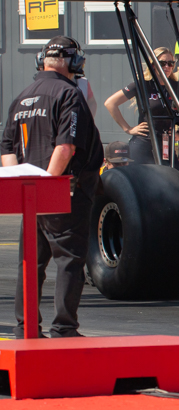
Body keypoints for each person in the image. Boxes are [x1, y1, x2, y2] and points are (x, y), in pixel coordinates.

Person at [1, 36, 103, 338]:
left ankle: (25, 328)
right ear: (74, 62)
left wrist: (23, 186)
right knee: (69, 260)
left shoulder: (22, 97)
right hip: (63, 192)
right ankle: (64, 328)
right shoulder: (69, 94)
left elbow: (6, 147)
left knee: (31, 263)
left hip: (29, 195)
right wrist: (49, 187)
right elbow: (66, 146)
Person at [104, 46, 179, 166]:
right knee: (139, 177)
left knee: (173, 176)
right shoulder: (142, 85)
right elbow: (110, 103)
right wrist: (128, 129)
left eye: (170, 63)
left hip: (165, 144)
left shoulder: (178, 87)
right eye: (162, 63)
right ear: (153, 65)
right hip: (143, 143)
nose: (167, 67)